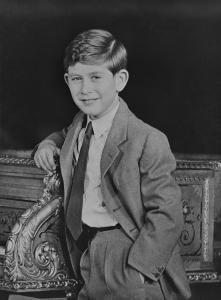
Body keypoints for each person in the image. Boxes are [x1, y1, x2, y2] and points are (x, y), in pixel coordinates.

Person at [34, 29, 191, 300]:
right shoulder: (80, 125)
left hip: (127, 256)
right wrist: (48, 144)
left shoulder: (147, 139)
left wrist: (139, 269)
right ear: (67, 80)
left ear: (120, 80)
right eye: (76, 79)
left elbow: (167, 214)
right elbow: (64, 135)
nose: (85, 89)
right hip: (86, 253)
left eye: (96, 77)